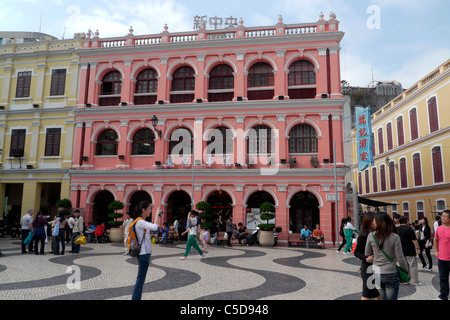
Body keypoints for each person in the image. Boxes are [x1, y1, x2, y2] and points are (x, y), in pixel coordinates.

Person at [365, 212, 409, 300]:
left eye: (374, 221)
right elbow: (400, 257)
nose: (373, 223)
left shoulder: (371, 235)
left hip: (376, 272)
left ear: (379, 223)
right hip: (390, 273)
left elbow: (367, 253)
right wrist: (405, 270)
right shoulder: (395, 237)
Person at [131, 201, 160, 300]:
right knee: (140, 280)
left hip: (144, 253)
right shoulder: (140, 222)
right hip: (144, 253)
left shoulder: (141, 221)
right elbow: (155, 227)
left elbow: (155, 230)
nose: (151, 211)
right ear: (143, 210)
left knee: (141, 280)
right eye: (149, 209)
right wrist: (157, 215)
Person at [354, 212, 381, 300]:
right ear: (368, 222)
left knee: (377, 292)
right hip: (368, 268)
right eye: (374, 221)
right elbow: (357, 252)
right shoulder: (364, 236)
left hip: (376, 267)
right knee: (367, 294)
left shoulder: (375, 234)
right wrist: (366, 259)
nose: (376, 222)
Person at [397, 215, 421, 286]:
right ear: (406, 221)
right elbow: (414, 240)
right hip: (410, 250)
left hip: (400, 251)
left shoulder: (396, 229)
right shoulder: (409, 229)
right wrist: (418, 248)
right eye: (408, 220)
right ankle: (415, 281)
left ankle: (405, 280)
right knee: (413, 266)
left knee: (404, 266)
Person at [434, 210, 450, 300]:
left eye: (445, 216)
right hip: (442, 258)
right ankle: (443, 296)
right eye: (442, 216)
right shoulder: (439, 228)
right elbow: (435, 240)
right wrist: (436, 251)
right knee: (443, 278)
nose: (442, 218)